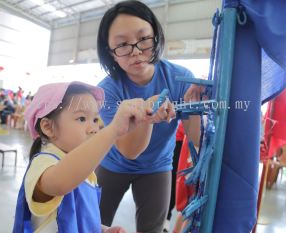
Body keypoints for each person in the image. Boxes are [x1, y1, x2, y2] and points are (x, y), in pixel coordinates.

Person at [96, 1, 202, 232]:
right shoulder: (107, 91)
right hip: (113, 164)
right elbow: (129, 151)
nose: (135, 51)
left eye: (143, 39)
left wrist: (195, 106)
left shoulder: (180, 79)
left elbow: (197, 138)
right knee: (91, 224)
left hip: (157, 167)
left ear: (156, 36)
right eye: (122, 45)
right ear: (110, 53)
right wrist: (148, 112)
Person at [13, 81, 154, 233]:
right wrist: (113, 130)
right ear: (48, 127)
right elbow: (61, 182)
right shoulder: (43, 163)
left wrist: (102, 230)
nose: (94, 128)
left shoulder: (85, 171)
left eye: (95, 120)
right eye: (81, 119)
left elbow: (77, 218)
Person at [163, 122, 184, 232]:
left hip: (200, 142)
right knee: (174, 180)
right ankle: (166, 218)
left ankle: (166, 218)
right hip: (182, 140)